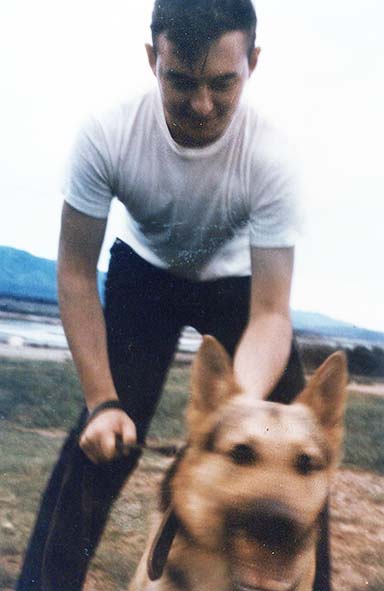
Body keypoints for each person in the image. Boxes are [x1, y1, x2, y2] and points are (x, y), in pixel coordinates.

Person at [17, 1, 331, 590]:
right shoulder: (108, 132)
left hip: (239, 288)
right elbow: (77, 273)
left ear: (253, 63)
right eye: (180, 82)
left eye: (223, 83)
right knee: (98, 447)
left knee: (296, 446)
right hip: (146, 276)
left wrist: (234, 408)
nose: (202, 105)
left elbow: (270, 311)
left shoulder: (272, 157)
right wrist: (102, 401)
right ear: (151, 60)